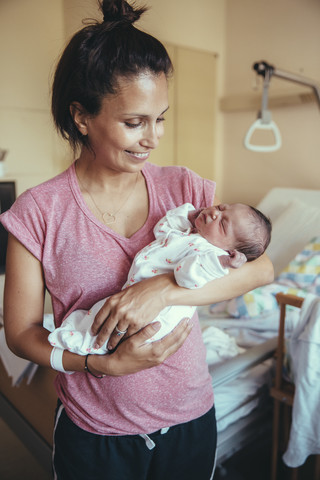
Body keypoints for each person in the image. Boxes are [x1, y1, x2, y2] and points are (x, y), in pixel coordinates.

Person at [0, 1, 274, 479]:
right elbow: (20, 334)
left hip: (191, 417)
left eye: (160, 118)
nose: (153, 139)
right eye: (134, 122)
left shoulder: (185, 189)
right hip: (95, 433)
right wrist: (99, 366)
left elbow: (261, 268)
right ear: (81, 116)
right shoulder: (39, 212)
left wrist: (161, 290)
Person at [48, 202, 271, 355]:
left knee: (117, 325)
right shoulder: (190, 234)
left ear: (230, 251)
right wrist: (187, 215)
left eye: (222, 224)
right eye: (222, 208)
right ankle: (79, 329)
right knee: (106, 312)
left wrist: (221, 264)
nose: (215, 213)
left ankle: (89, 346)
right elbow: (163, 229)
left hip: (161, 315)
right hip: (135, 288)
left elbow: (187, 278)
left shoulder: (210, 256)